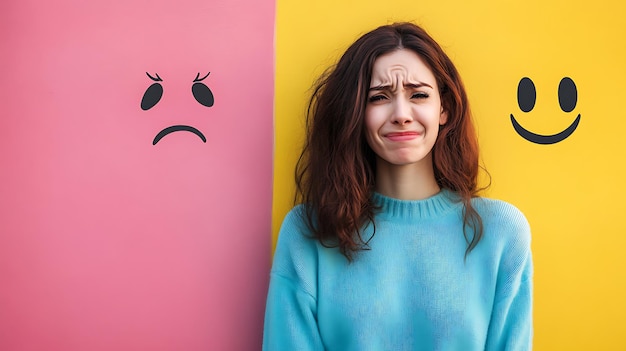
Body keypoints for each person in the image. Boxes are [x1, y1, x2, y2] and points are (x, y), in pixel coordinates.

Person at [263, 22, 533, 350]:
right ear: (356, 112)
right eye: (379, 97)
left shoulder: (502, 232)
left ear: (444, 108)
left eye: (418, 94)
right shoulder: (309, 231)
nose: (401, 114)